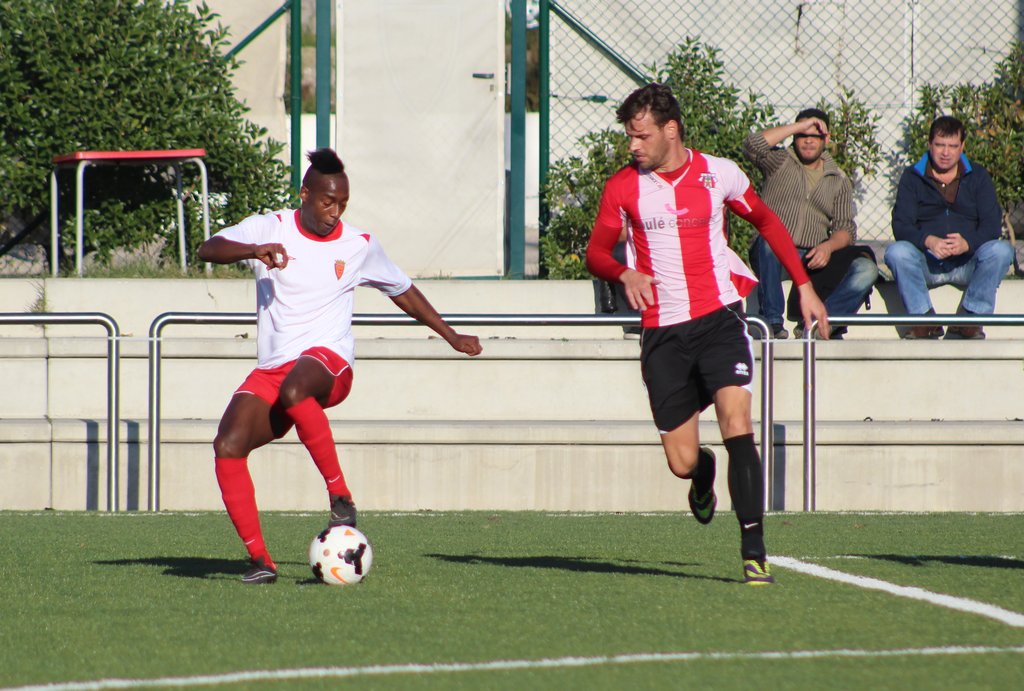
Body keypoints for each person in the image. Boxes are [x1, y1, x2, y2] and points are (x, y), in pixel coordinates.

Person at [198, 148, 483, 584]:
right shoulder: (270, 227)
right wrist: (253, 250)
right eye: (328, 202)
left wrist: (451, 335)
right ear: (305, 195)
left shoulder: (358, 245)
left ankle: (340, 497)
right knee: (227, 446)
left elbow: (403, 291)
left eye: (343, 204)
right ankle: (261, 561)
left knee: (296, 388)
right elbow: (208, 248)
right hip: (274, 368)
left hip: (328, 363)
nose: (335, 213)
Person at [585, 83, 829, 585]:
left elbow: (767, 223)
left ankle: (754, 549)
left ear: (670, 130)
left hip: (720, 318)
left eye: (641, 135)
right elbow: (596, 253)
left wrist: (804, 286)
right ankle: (703, 473)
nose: (633, 145)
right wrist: (624, 273)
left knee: (738, 421)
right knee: (681, 462)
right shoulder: (623, 187)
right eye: (630, 136)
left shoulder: (719, 173)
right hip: (663, 333)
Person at [744, 108, 878, 339]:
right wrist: (798, 126)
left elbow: (846, 229)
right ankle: (772, 324)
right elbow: (752, 145)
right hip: (771, 254)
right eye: (802, 135)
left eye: (814, 135)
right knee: (769, 241)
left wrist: (828, 247)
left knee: (866, 269)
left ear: (826, 139)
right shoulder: (780, 161)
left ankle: (819, 324)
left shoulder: (838, 179)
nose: (808, 140)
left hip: (811, 257)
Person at [886, 115, 1013, 339]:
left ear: (962, 147)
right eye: (940, 145)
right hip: (927, 263)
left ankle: (970, 319)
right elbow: (901, 225)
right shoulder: (912, 177)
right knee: (897, 253)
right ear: (929, 144)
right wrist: (928, 240)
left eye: (953, 146)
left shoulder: (978, 176)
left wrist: (968, 243)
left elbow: (992, 224)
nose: (946, 152)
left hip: (968, 262)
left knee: (1001, 251)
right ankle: (924, 321)